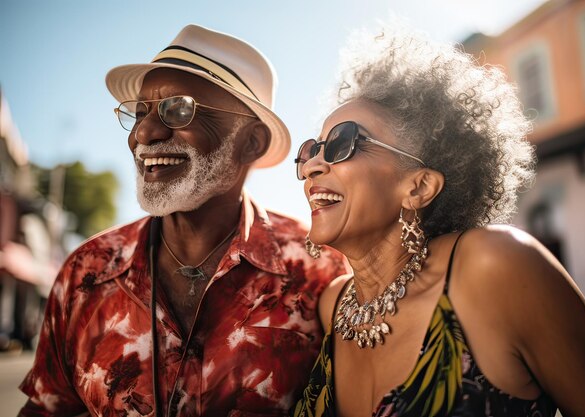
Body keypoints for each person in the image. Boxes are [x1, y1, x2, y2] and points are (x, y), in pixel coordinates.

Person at [292, 24, 585, 417]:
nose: (313, 165)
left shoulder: (493, 266)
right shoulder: (331, 305)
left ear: (418, 187)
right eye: (312, 150)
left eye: (341, 143)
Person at [19, 25, 347, 417]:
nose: (144, 132)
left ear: (252, 142)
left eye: (179, 109)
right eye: (139, 112)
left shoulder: (319, 271)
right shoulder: (87, 271)